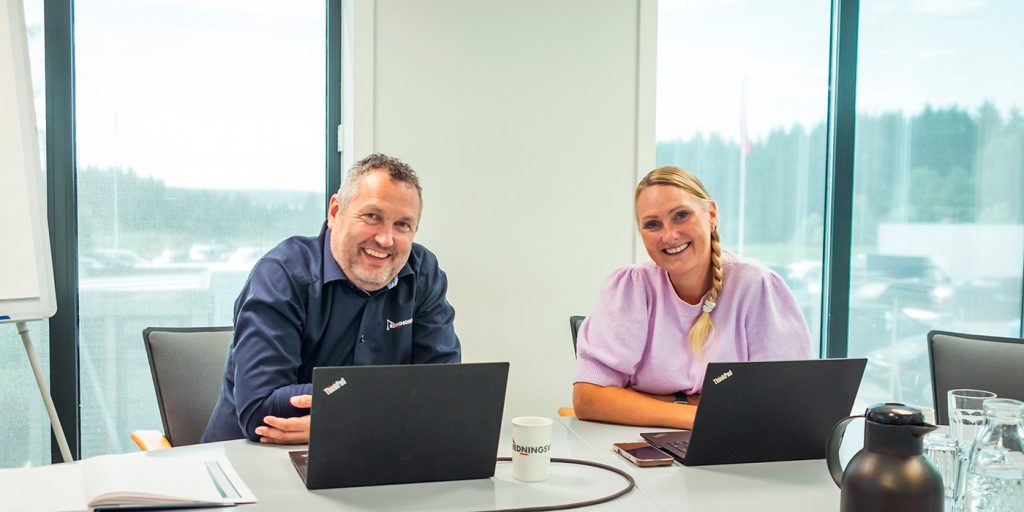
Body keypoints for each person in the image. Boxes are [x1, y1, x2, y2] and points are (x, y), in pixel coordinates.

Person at [201, 153, 461, 444]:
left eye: (402, 225)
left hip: (367, 455)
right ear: (335, 212)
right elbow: (260, 411)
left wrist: (343, 423)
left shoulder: (423, 273)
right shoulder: (282, 275)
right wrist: (393, 405)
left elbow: (443, 394)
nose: (386, 239)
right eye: (372, 217)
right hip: (248, 465)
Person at [572, 166, 811, 429]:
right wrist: (699, 413)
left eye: (681, 215)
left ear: (711, 214)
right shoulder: (631, 287)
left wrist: (644, 400)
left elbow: (788, 404)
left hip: (735, 450)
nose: (669, 235)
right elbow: (588, 398)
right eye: (653, 224)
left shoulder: (758, 287)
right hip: (641, 445)